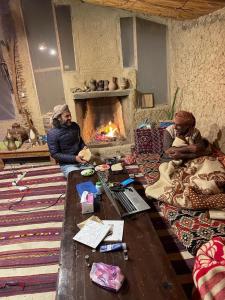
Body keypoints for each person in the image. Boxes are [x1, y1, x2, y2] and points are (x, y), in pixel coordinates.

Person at [47, 104, 87, 177]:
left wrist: (84, 147)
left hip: (81, 160)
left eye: (70, 115)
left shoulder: (75, 126)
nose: (70, 118)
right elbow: (55, 154)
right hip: (67, 165)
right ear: (59, 118)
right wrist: (74, 158)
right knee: (77, 177)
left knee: (94, 173)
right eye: (66, 116)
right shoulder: (52, 133)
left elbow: (80, 140)